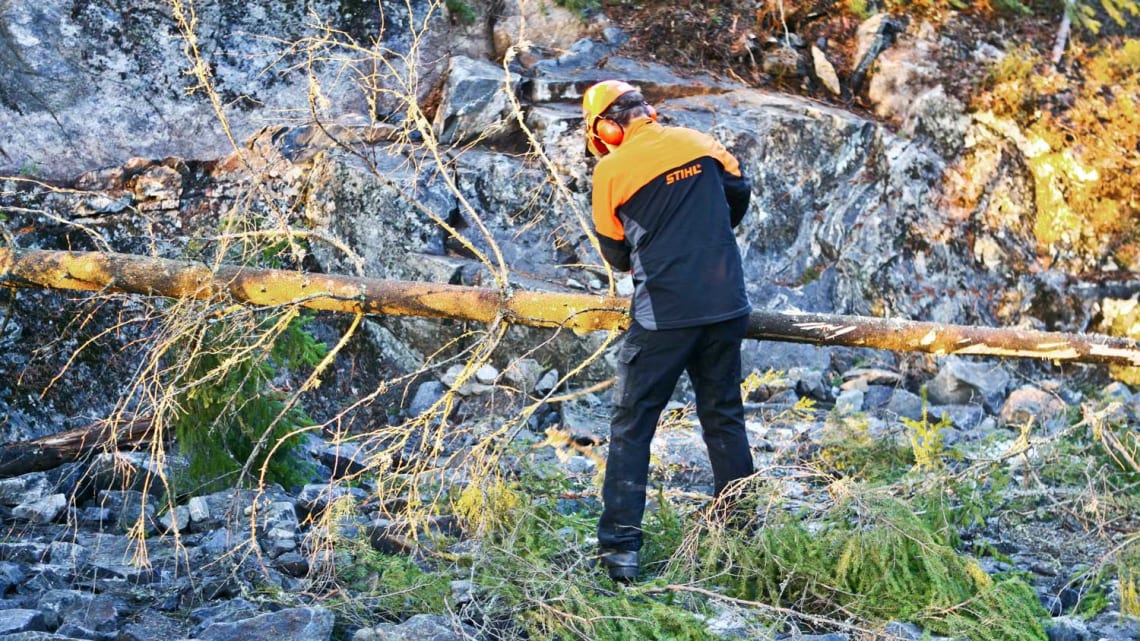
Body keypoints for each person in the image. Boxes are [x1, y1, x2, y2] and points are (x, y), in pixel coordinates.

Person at [582, 79, 756, 582]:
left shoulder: (610, 171)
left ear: (609, 129)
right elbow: (737, 199)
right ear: (648, 111)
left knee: (632, 426)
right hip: (726, 306)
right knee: (724, 417)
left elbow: (615, 254)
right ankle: (740, 531)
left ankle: (619, 552)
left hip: (664, 316)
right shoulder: (699, 144)